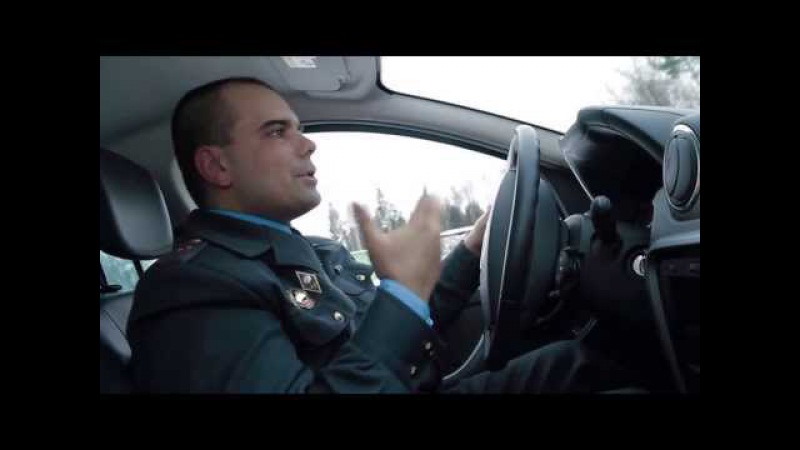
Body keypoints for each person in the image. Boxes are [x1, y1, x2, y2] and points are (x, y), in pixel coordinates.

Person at [127, 77, 637, 393]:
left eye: (298, 128)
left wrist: (468, 250)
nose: (307, 144)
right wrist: (400, 295)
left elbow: (389, 332)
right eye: (277, 131)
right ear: (216, 166)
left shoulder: (308, 250)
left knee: (592, 360)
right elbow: (388, 329)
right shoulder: (191, 289)